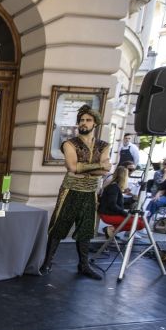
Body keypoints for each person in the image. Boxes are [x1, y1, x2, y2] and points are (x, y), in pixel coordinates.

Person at [40, 104, 111, 280]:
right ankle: (47, 263)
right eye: (81, 120)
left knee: (86, 228)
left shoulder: (103, 145)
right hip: (71, 190)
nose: (84, 123)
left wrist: (90, 168)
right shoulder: (70, 144)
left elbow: (105, 170)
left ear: (95, 124)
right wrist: (99, 166)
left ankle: (84, 265)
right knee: (59, 225)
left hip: (90, 192)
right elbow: (72, 167)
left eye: (88, 120)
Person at [99, 166, 146, 238]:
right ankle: (112, 229)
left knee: (139, 220)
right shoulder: (114, 188)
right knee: (141, 223)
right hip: (108, 215)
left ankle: (111, 229)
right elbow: (112, 205)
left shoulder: (114, 186)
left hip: (109, 213)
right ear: (124, 177)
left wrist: (132, 199)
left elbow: (116, 203)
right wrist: (125, 214)